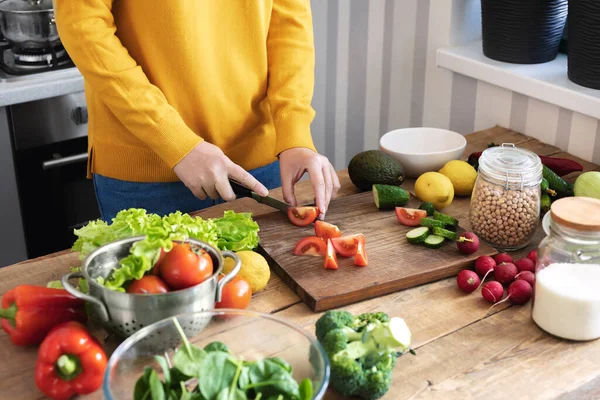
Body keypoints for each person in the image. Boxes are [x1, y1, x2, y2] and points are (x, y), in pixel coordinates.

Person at [54, 1, 340, 223]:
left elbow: (289, 25)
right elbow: (83, 26)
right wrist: (175, 141)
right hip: (150, 174)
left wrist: (294, 132)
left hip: (262, 163)